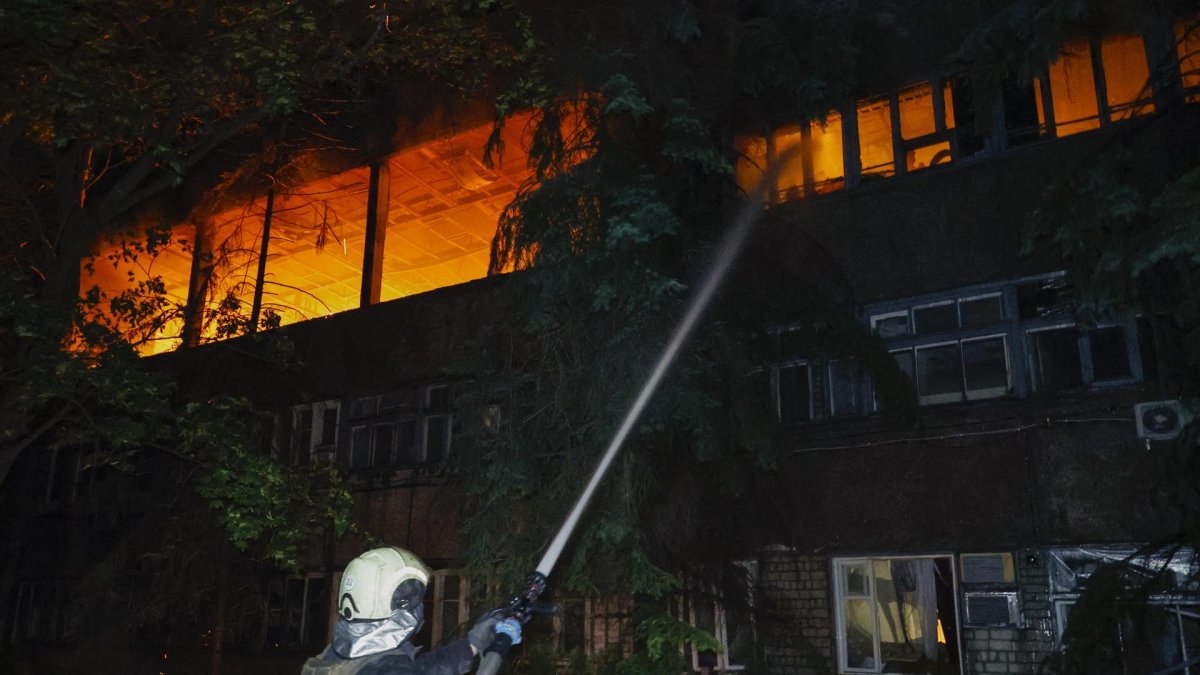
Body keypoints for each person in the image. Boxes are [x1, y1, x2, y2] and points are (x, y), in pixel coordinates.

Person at [301, 547, 522, 675]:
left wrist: (475, 643)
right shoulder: (389, 667)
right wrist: (496, 654)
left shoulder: (339, 653)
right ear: (401, 606)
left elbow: (422, 669)